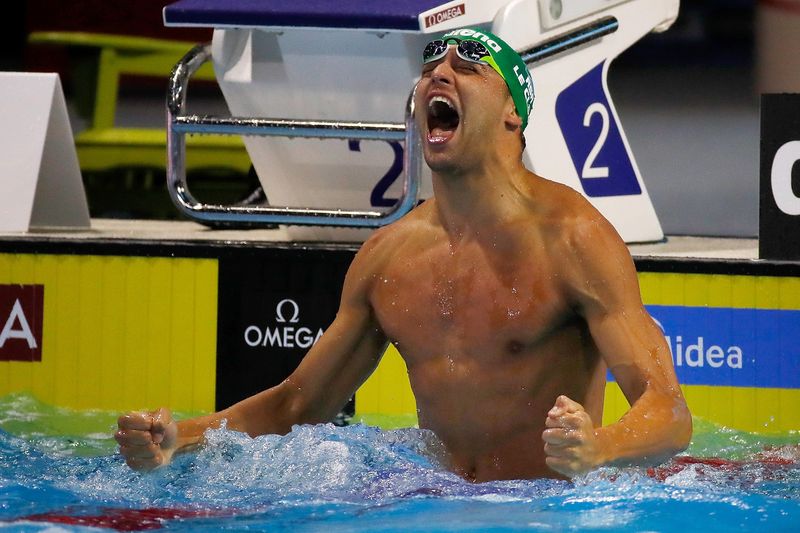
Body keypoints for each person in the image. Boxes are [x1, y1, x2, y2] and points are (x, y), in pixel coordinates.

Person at [116, 28, 692, 482]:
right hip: (431, 504)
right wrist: (181, 439)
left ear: (514, 113)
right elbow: (297, 405)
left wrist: (599, 448)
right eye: (431, 66)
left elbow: (668, 411)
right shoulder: (389, 256)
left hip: (543, 507)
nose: (439, 72)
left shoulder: (574, 239)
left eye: (467, 67)